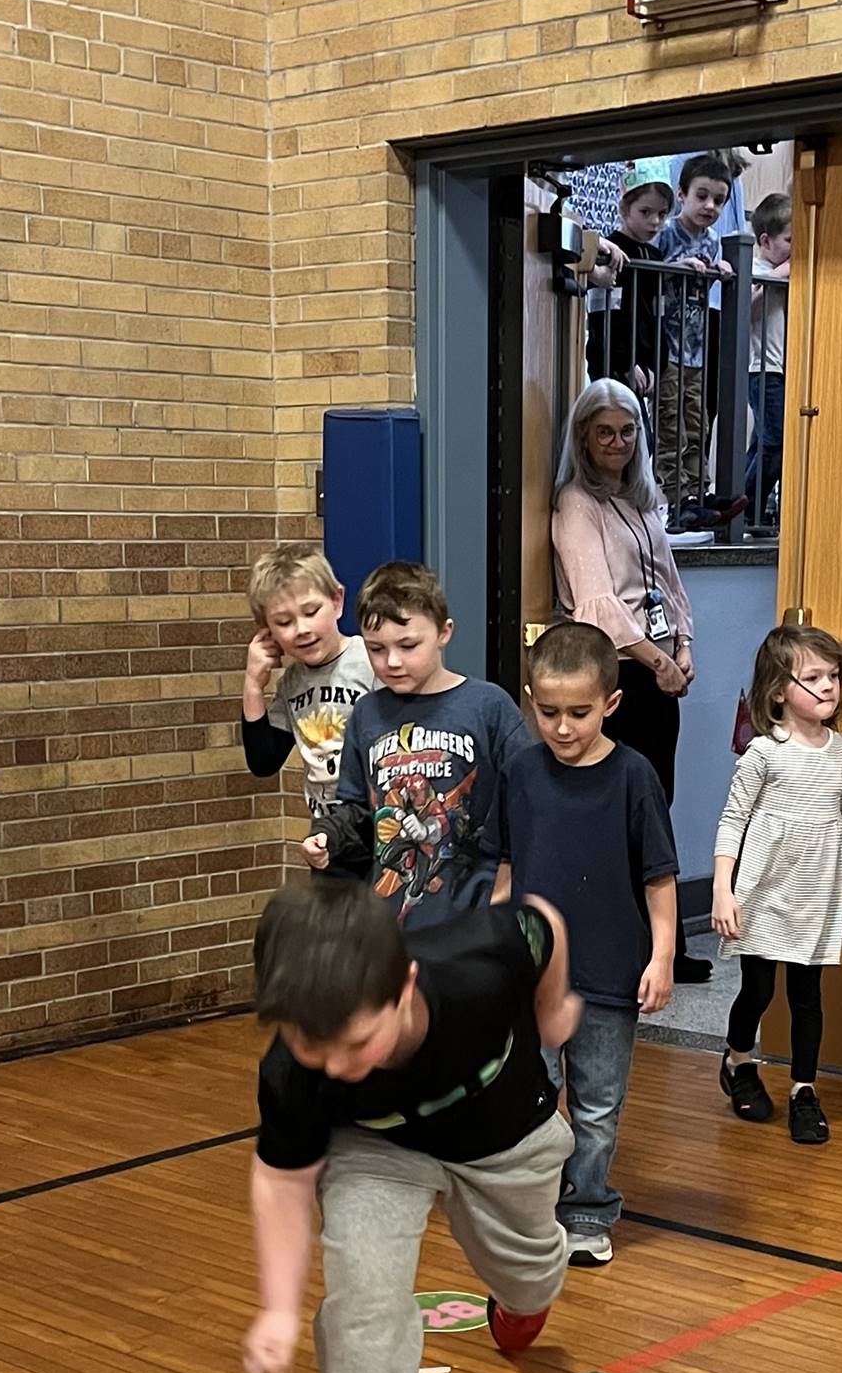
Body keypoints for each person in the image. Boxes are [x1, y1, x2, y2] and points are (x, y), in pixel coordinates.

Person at [245, 877, 580, 1373]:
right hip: (379, 1152)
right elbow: (281, 1180)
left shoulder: (479, 962)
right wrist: (277, 1308)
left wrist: (550, 1014)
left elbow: (542, 919)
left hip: (508, 1138)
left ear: (404, 989)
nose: (336, 1067)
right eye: (315, 1049)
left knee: (530, 1274)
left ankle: (521, 1300)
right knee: (363, 1291)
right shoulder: (293, 1075)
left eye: (357, 1043)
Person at [485, 621, 677, 1267]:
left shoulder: (633, 777)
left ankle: (588, 1212)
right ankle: (534, 1212)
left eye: (578, 713)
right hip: (532, 978)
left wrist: (660, 957)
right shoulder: (519, 771)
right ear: (528, 701)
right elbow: (506, 868)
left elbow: (658, 878)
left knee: (595, 1107)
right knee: (533, 1100)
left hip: (607, 975)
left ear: (610, 705)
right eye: (547, 713)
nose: (562, 728)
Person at [552, 378, 711, 983]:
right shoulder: (576, 504)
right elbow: (596, 601)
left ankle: (658, 946)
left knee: (655, 808)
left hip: (659, 674)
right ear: (584, 439)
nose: (617, 443)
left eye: (628, 431)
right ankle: (623, 950)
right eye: (604, 433)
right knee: (621, 815)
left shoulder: (641, 499)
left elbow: (667, 581)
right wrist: (657, 660)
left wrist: (686, 646)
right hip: (621, 672)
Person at [711, 625, 842, 1146]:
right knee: (757, 990)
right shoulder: (763, 753)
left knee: (807, 996)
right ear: (779, 690)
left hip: (816, 892)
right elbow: (733, 821)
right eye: (814, 677)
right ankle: (738, 1061)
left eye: (834, 675)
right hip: (764, 889)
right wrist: (722, 888)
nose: (828, 686)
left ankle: (805, 1090)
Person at [306, 562, 528, 921]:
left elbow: (526, 804)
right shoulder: (366, 714)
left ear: (444, 633)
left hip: (471, 917)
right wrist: (327, 837)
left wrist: (504, 891)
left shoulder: (489, 707)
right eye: (376, 649)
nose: (392, 661)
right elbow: (357, 811)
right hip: (389, 926)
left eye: (408, 645)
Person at [240, 542, 377, 828]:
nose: (302, 629)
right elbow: (263, 762)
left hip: (379, 829)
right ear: (268, 631)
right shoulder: (292, 683)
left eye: (311, 611)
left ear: (337, 602)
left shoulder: (372, 660)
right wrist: (253, 684)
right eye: (284, 622)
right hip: (327, 833)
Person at [655, 153, 734, 518]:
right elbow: (651, 273)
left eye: (718, 200)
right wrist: (676, 267)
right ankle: (676, 496)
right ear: (682, 193)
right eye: (701, 196)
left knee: (698, 420)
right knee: (672, 423)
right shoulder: (667, 232)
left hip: (697, 348)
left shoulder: (713, 240)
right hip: (667, 346)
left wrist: (721, 268)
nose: (710, 206)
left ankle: (698, 492)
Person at [585, 162, 674, 402]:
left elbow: (658, 316)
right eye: (645, 212)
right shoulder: (609, 252)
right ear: (625, 209)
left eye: (662, 214)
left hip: (646, 366)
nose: (655, 221)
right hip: (611, 363)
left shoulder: (656, 257)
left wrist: (656, 364)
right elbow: (604, 316)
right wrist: (624, 362)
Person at [744, 193, 792, 527]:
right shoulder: (758, 269)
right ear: (765, 240)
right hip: (763, 369)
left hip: (779, 369)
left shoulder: (778, 271)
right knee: (774, 444)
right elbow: (747, 310)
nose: (795, 249)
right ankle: (749, 511)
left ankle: (748, 508)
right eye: (790, 241)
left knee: (763, 443)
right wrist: (781, 273)